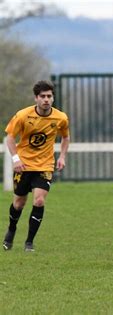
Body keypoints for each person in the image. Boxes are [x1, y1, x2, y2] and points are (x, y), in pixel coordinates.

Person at [2, 80, 70, 252]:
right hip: (23, 165)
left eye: (49, 96)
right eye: (43, 96)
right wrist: (16, 158)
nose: (46, 99)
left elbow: (66, 137)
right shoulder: (23, 115)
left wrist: (62, 156)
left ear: (53, 98)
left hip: (45, 166)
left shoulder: (60, 117)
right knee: (19, 203)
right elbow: (10, 137)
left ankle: (29, 242)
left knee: (39, 201)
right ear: (36, 98)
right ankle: (11, 229)